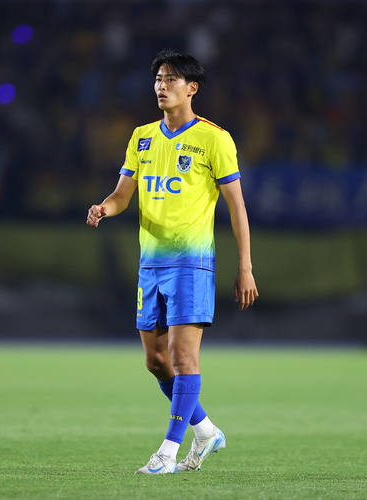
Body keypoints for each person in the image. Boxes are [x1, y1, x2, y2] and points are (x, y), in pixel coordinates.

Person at [86, 49, 258, 474]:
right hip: (150, 264)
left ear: (192, 88)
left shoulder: (215, 139)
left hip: (191, 262)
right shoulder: (142, 137)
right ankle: (206, 431)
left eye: (171, 79)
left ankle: (167, 452)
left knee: (183, 358)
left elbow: (237, 205)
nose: (161, 86)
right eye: (158, 79)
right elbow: (122, 194)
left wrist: (245, 266)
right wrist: (105, 208)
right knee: (156, 362)